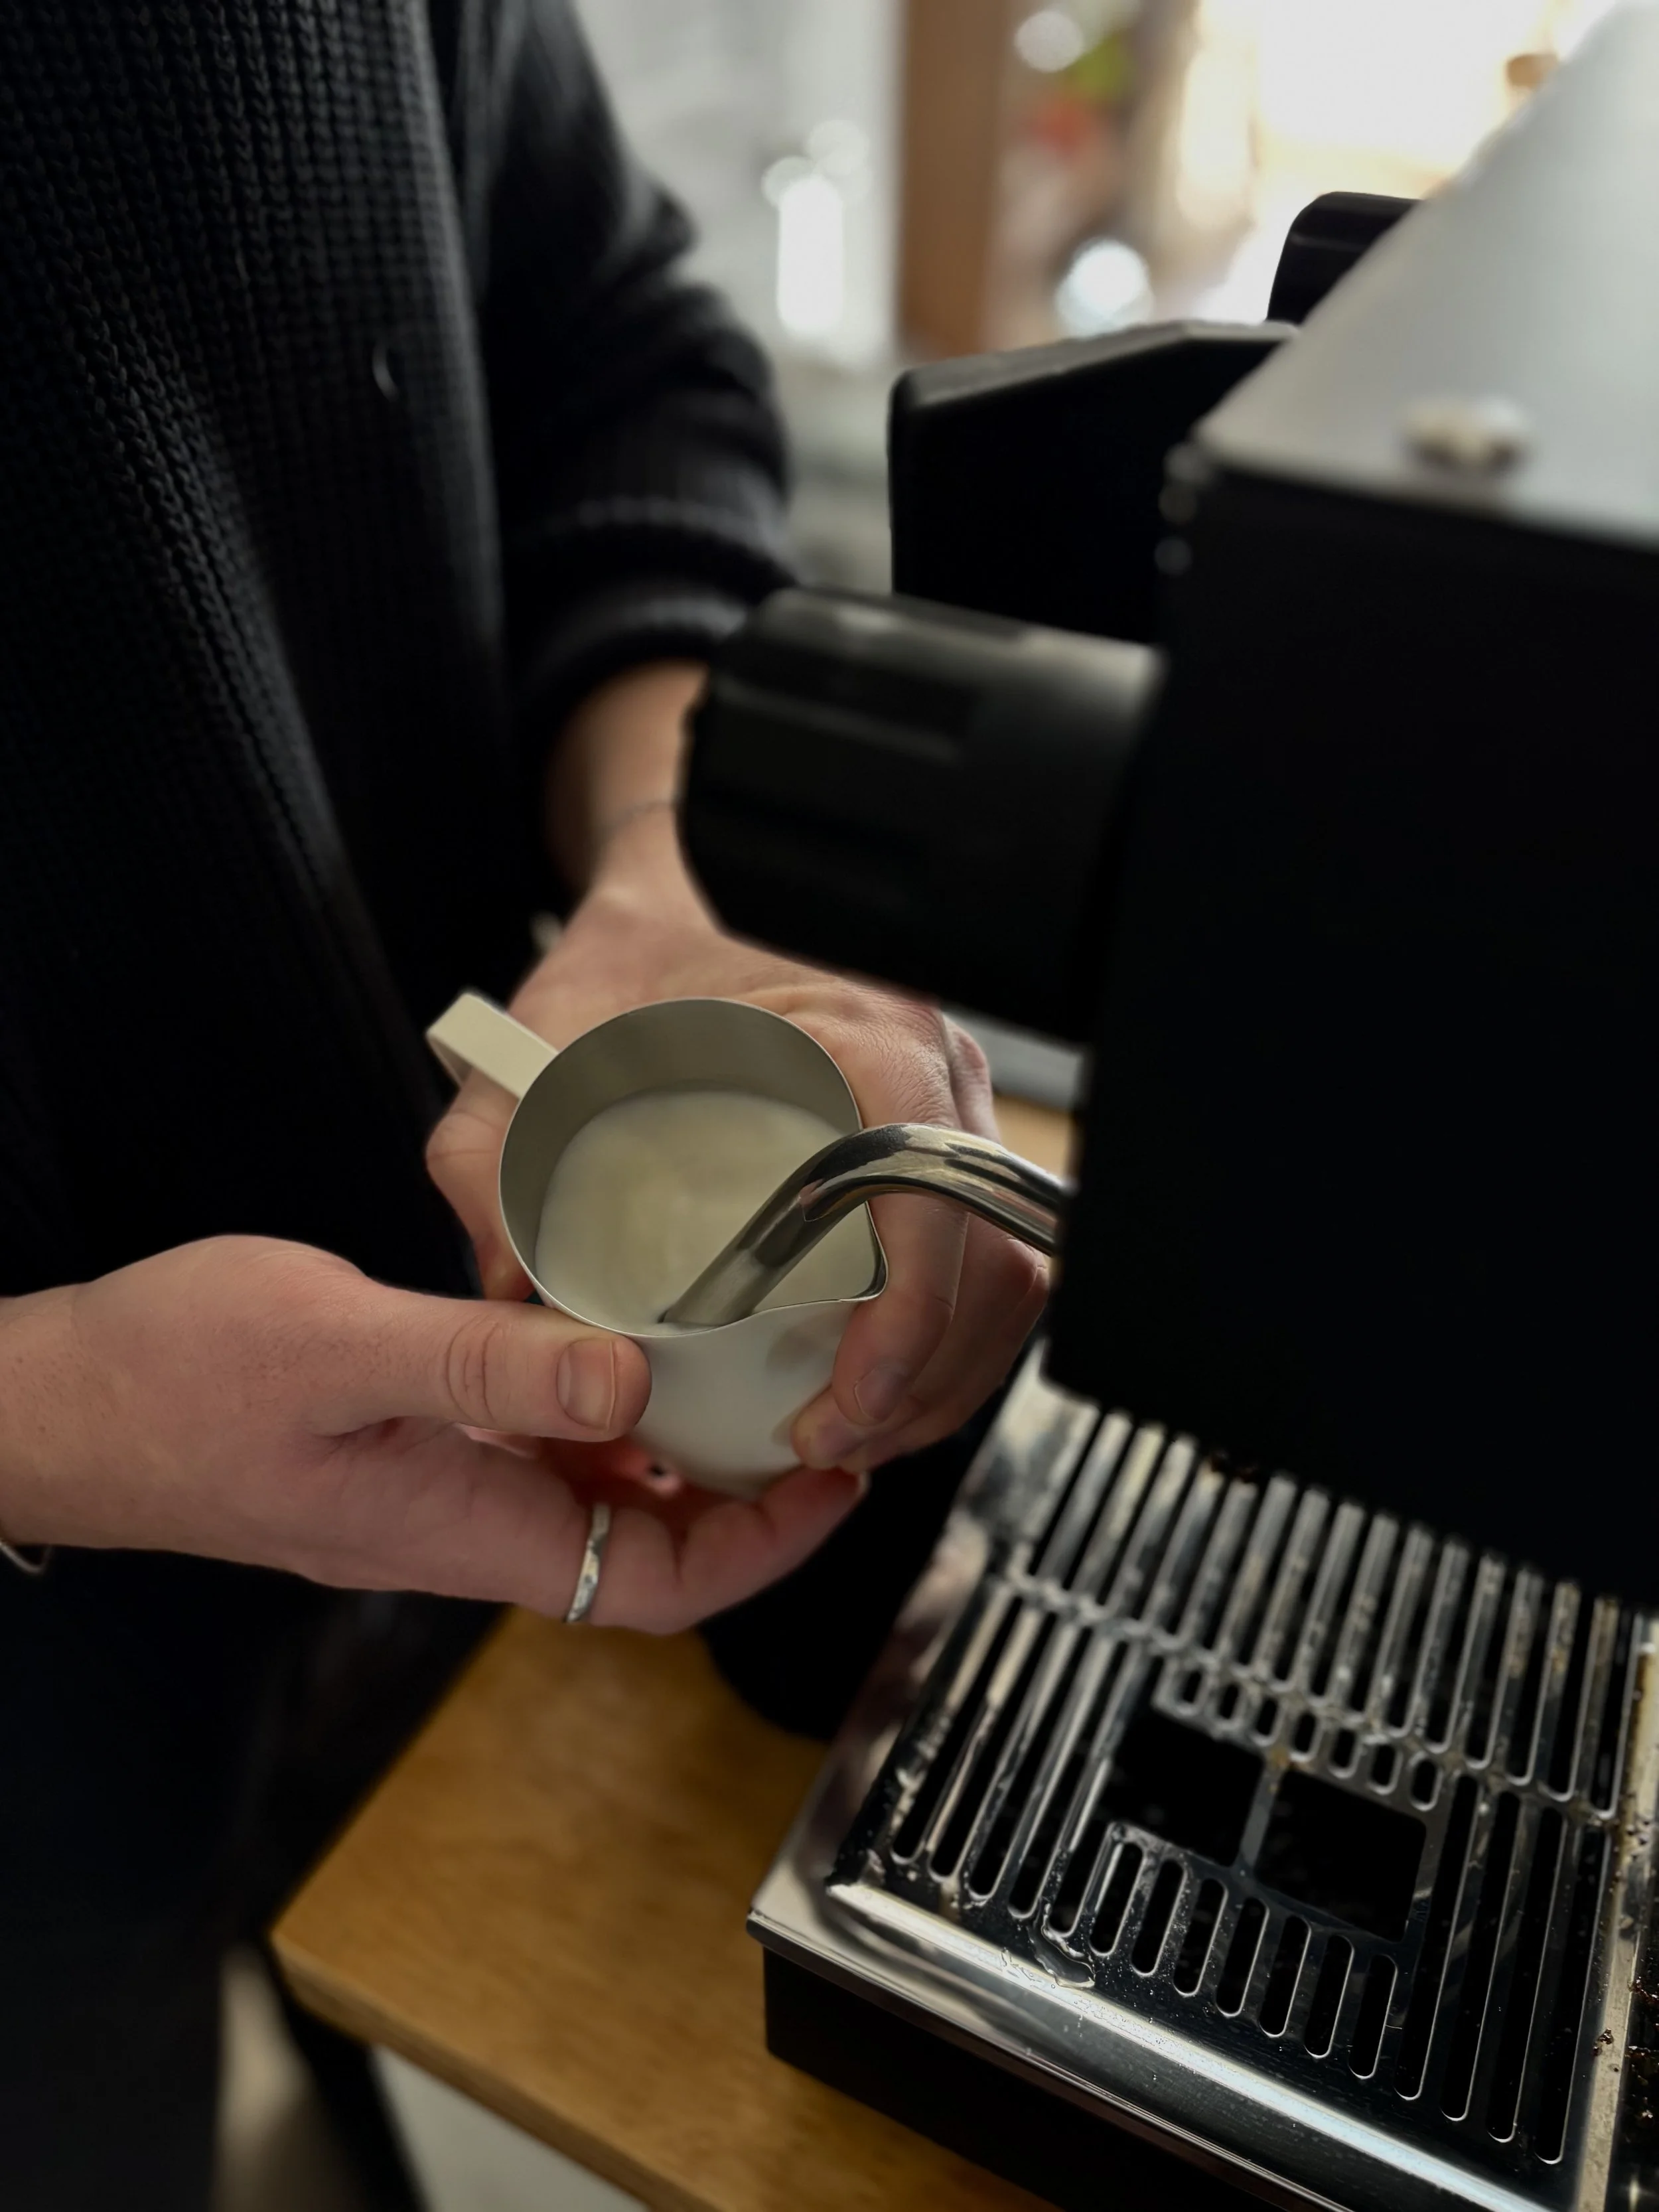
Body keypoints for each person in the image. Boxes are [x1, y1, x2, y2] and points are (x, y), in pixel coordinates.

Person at [0, 3, 1046, 2205]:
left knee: (413, 2069)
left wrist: (672, 856)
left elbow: (612, 355)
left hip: (448, 1411)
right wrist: (48, 1418)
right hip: (33, 1717)